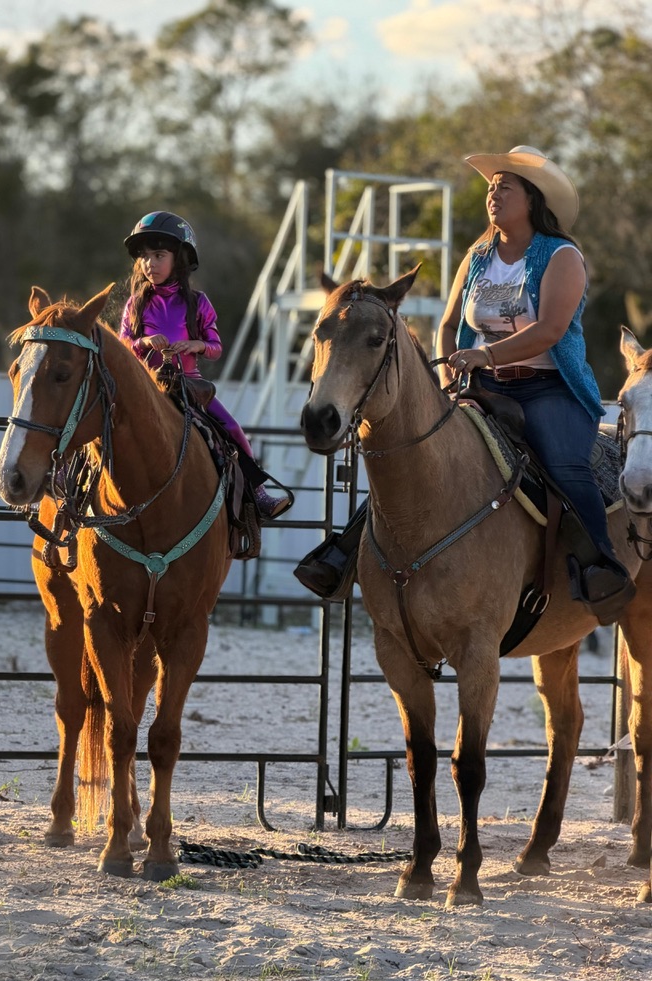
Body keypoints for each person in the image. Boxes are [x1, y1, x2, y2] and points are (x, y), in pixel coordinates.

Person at [295, 146, 635, 624]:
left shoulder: (561, 256)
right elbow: (450, 323)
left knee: (564, 464)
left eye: (506, 186)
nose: (493, 194)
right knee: (424, 455)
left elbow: (551, 330)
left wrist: (487, 353)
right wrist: (447, 378)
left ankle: (603, 567)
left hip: (549, 388)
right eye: (491, 187)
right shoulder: (477, 257)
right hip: (484, 386)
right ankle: (344, 552)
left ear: (532, 198)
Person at [119, 210, 289, 520]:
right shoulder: (135, 304)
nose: (150, 263)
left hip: (190, 386)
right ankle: (69, 484)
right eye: (145, 257)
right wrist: (143, 343)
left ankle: (258, 493)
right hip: (145, 386)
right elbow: (123, 347)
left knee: (233, 430)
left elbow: (215, 349)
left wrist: (197, 345)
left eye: (159, 255)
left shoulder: (199, 303)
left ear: (179, 259)